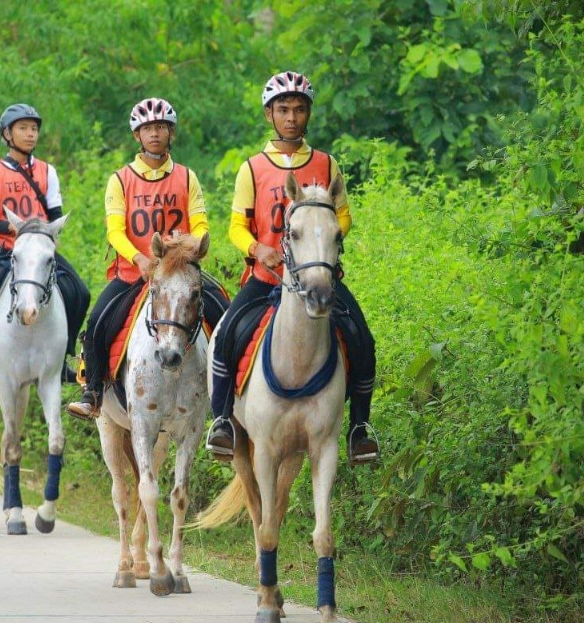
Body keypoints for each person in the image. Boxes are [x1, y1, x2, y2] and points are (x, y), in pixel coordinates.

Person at [205, 71, 379, 464]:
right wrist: (257, 248)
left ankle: (359, 429)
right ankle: (221, 422)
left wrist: (327, 239)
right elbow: (235, 225)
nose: (292, 117)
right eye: (283, 109)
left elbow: (344, 215)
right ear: (269, 115)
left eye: (299, 110)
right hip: (266, 277)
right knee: (227, 334)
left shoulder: (326, 163)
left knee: (362, 339)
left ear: (309, 114)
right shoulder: (252, 168)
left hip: (317, 276)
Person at [66, 97, 228, 420]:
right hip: (133, 273)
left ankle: (228, 402)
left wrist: (193, 244)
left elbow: (200, 224)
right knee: (98, 322)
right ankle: (93, 391)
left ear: (171, 133)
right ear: (137, 136)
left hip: (179, 273)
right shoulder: (120, 180)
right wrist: (139, 259)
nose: (155, 133)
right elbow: (115, 231)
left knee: (226, 311)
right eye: (147, 128)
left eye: (161, 127)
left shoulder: (186, 177)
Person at [0, 103, 89, 370]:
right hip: (0, 245)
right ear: (7, 134)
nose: (30, 134)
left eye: (34, 129)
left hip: (36, 249)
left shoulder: (48, 172)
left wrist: (46, 234)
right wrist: (11, 228)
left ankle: (65, 353)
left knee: (80, 291)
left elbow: (54, 213)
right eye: (23, 128)